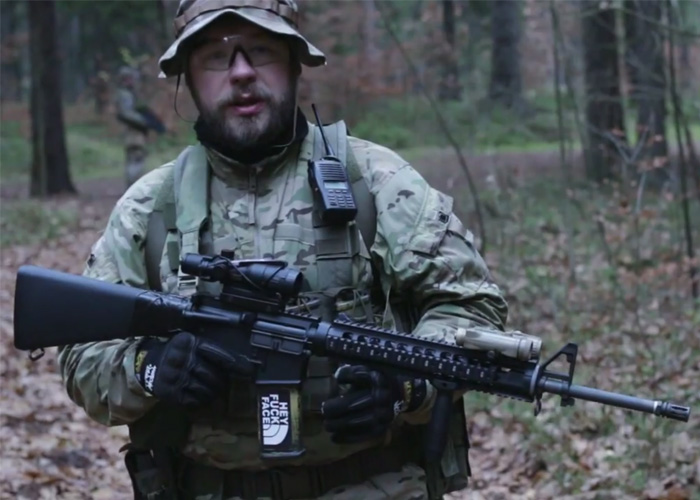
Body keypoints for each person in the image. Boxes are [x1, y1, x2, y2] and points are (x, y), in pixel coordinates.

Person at [57, 1, 509, 499]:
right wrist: (148, 368)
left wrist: (405, 384)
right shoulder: (149, 209)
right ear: (188, 76)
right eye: (216, 56)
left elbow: (473, 308)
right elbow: (81, 357)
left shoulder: (376, 182)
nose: (241, 73)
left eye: (262, 50)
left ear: (295, 64)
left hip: (370, 483)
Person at [114, 65, 150, 188]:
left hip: (134, 130)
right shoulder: (125, 94)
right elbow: (126, 113)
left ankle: (133, 186)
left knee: (135, 157)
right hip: (132, 131)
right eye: (130, 78)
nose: (132, 81)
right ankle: (133, 187)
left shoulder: (128, 93)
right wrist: (144, 122)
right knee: (136, 156)